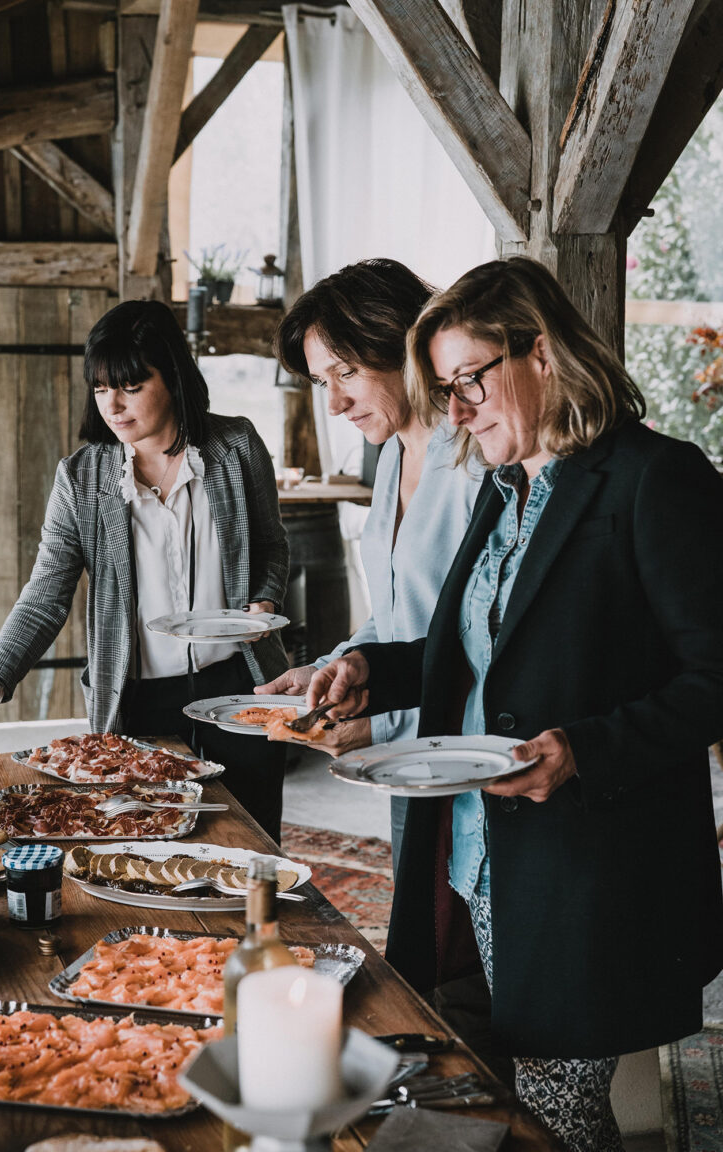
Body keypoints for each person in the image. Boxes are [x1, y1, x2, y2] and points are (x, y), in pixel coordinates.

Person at [303, 257, 723, 1150]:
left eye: (468, 382)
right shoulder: (503, 487)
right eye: (444, 389)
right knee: (477, 1099)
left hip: (583, 874)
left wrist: (582, 749)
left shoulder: (655, 478)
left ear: (540, 352)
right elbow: (470, 657)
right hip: (466, 856)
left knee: (557, 1125)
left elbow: (712, 681)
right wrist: (373, 670)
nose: (454, 411)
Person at [0, 300, 289, 841]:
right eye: (100, 387)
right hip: (140, 700)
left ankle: (260, 929)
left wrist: (264, 604)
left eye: (131, 385)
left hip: (241, 686)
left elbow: (272, 543)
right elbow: (45, 594)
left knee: (251, 841)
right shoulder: (81, 478)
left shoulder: (236, 447)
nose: (112, 404)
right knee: (147, 844)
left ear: (173, 377)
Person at [255, 258, 483, 871]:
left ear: (404, 345)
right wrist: (328, 670)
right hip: (407, 751)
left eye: (346, 373)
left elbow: (482, 640)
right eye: (321, 381)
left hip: (468, 753)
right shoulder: (388, 462)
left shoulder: (477, 459)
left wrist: (379, 724)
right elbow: (395, 618)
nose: (334, 404)